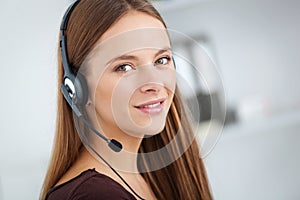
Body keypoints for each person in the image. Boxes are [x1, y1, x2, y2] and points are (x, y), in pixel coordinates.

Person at [40, 0, 213, 199]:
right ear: (78, 89)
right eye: (124, 67)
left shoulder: (150, 176)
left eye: (161, 60)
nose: (154, 83)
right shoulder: (94, 195)